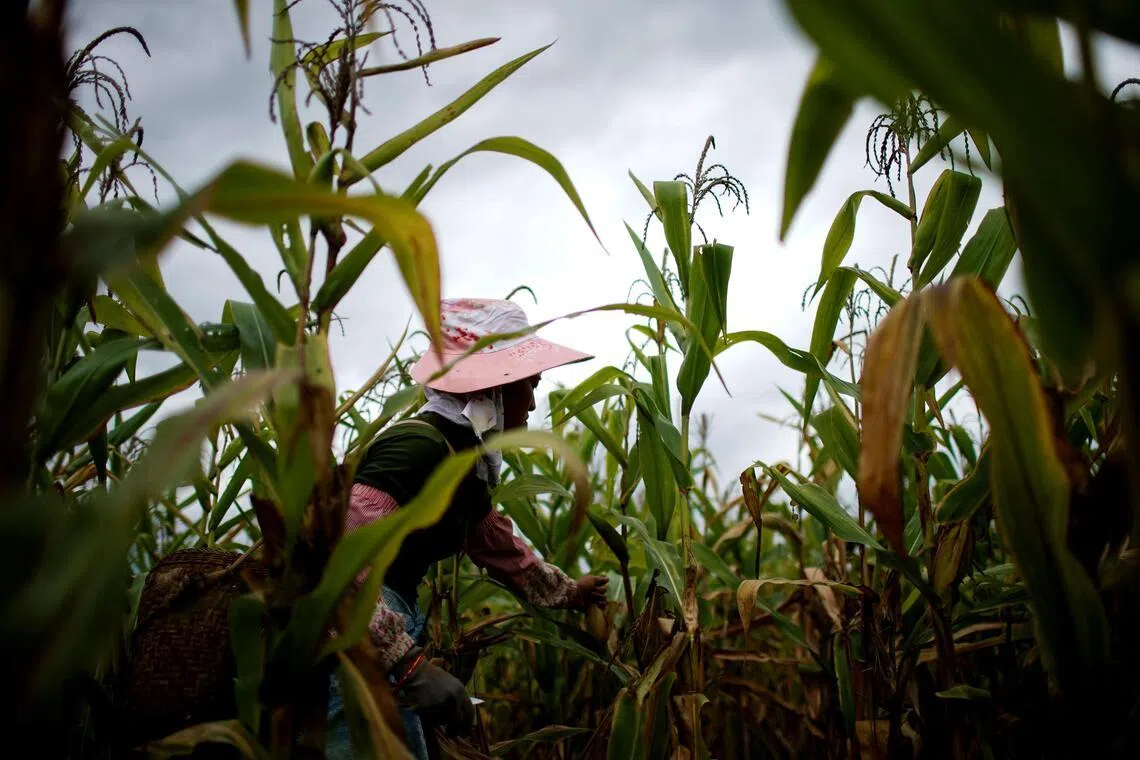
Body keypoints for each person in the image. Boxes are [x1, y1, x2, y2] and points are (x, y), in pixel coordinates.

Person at [326, 298, 610, 760]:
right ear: (493, 389)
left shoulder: (461, 464)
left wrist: (570, 594)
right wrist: (408, 665)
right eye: (530, 385)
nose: (534, 403)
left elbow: (500, 547)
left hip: (381, 640)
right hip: (348, 645)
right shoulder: (418, 447)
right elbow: (339, 556)